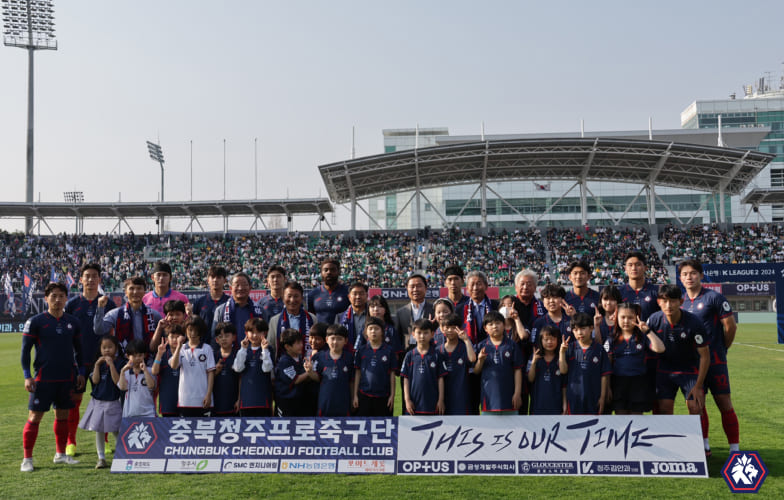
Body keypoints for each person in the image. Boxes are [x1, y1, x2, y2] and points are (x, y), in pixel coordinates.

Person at [21, 282, 84, 472]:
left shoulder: (73, 322)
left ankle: (61, 454)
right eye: (53, 296)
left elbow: (80, 351)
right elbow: (25, 352)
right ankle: (27, 459)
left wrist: (81, 372)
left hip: (66, 378)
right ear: (46, 298)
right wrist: (27, 375)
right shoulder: (36, 321)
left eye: (61, 296)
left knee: (63, 416)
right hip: (43, 378)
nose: (57, 300)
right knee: (34, 417)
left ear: (66, 298)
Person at [679, 259, 740, 455]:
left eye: (693, 273)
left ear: (701, 275)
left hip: (715, 361)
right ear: (680, 278)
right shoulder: (680, 301)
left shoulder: (714, 297)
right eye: (685, 274)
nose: (689, 277)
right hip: (692, 364)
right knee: (696, 405)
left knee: (724, 403)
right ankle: (704, 446)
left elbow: (730, 327)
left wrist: (722, 348)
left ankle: (734, 449)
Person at [64, 262, 116, 458]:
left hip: (101, 361)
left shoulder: (107, 304)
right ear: (81, 280)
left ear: (99, 279)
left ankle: (104, 441)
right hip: (78, 362)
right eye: (87, 276)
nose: (91, 279)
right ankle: (71, 442)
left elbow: (111, 333)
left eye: (95, 276)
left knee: (104, 403)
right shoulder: (72, 305)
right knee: (74, 402)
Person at [649, 285, 710, 420]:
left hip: (689, 370)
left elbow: (705, 356)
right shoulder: (653, 320)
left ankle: (701, 441)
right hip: (664, 371)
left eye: (673, 301)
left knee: (696, 407)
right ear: (659, 302)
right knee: (664, 409)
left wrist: (699, 386)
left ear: (681, 302)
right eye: (664, 301)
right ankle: (667, 441)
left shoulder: (694, 322)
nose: (668, 305)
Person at [607, 303, 664, 415]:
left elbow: (660, 348)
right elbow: (607, 365)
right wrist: (608, 387)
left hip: (639, 383)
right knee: (621, 418)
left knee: (637, 418)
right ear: (616, 318)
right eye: (623, 317)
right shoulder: (611, 339)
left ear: (637, 318)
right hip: (618, 383)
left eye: (630, 317)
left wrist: (647, 331)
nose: (626, 321)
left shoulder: (642, 337)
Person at [77, 335, 123, 469]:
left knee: (115, 429)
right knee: (99, 430)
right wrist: (97, 365)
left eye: (110, 347)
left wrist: (112, 365)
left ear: (116, 348)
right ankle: (101, 458)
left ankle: (122, 454)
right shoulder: (98, 363)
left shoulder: (120, 362)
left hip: (113, 401)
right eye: (104, 348)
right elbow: (95, 380)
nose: (107, 350)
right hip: (98, 401)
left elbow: (117, 381)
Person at [560, 312, 611, 415]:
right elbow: (563, 370)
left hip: (594, 396)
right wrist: (561, 352)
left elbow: (604, 375)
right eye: (576, 330)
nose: (580, 332)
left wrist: (602, 397)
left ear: (591, 328)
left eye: (583, 328)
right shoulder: (569, 348)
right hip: (574, 397)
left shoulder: (599, 349)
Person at [474, 311, 524, 414]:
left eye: (497, 323)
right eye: (490, 324)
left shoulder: (512, 346)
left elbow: (518, 370)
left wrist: (517, 393)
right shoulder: (481, 346)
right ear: (485, 328)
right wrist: (480, 360)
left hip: (510, 398)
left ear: (504, 325)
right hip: (489, 399)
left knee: (513, 429)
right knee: (489, 429)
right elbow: (476, 371)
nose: (494, 326)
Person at [94, 276, 162, 351]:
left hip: (148, 360)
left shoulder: (154, 315)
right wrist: (100, 308)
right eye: (131, 289)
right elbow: (99, 330)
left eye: (139, 288)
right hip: (124, 360)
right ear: (126, 292)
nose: (135, 292)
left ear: (144, 292)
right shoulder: (115, 314)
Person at [169, 317, 215, 417]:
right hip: (185, 400)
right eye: (190, 330)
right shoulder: (182, 348)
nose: (193, 333)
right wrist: (178, 346)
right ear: (185, 330)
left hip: (202, 399)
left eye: (196, 330)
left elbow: (211, 372)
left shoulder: (207, 348)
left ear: (201, 332)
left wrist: (208, 394)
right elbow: (174, 365)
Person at [353, 317, 398, 416]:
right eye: (370, 329)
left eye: (376, 329)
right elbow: (358, 372)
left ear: (382, 332)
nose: (373, 331)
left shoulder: (389, 350)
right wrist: (355, 395)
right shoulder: (361, 350)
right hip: (364, 394)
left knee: (383, 426)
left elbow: (392, 374)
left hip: (383, 396)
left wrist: (392, 395)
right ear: (366, 332)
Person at [401, 319, 446, 415]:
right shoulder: (410, 355)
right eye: (419, 333)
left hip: (432, 404)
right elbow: (405, 378)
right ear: (413, 334)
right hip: (413, 405)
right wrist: (407, 400)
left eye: (426, 333)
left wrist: (441, 400)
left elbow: (440, 379)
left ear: (432, 334)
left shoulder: (437, 355)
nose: (422, 336)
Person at [309, 325, 354, 417]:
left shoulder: (350, 358)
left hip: (343, 401)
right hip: (325, 401)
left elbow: (352, 381)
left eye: (339, 339)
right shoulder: (319, 357)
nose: (335, 342)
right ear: (326, 339)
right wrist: (310, 372)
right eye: (332, 338)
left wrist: (353, 398)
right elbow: (318, 378)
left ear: (345, 341)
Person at [436, 313, 476, 415]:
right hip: (443, 395)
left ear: (460, 328)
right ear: (442, 329)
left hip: (462, 394)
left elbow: (472, 359)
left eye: (454, 327)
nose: (450, 330)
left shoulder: (464, 347)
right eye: (447, 327)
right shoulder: (438, 350)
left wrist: (466, 340)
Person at [232, 319, 274, 417]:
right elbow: (238, 368)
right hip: (246, 400)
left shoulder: (268, 349)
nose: (254, 335)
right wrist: (243, 350)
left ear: (265, 333)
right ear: (246, 333)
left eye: (258, 332)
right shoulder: (243, 349)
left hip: (263, 400)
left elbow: (267, 369)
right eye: (252, 332)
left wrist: (264, 350)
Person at [268, 281, 317, 361]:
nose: (292, 300)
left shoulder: (312, 318)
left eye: (296, 296)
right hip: (282, 367)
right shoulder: (275, 320)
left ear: (301, 298)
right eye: (289, 296)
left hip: (306, 367)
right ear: (283, 298)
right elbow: (271, 347)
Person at [212, 272, 262, 346]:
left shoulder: (260, 311)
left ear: (250, 288)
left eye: (244, 284)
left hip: (254, 354)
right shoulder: (220, 310)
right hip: (229, 354)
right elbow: (215, 336)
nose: (240, 288)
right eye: (237, 285)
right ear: (231, 288)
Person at [527, 325, 566, 415]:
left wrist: (564, 406)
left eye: (553, 339)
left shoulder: (561, 358)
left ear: (558, 340)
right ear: (541, 340)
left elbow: (564, 385)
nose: (549, 342)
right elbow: (530, 379)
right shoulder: (535, 357)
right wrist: (534, 362)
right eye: (546, 339)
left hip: (556, 406)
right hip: (538, 406)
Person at [274, 328, 313, 417]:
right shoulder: (285, 361)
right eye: (298, 343)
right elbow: (296, 380)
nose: (301, 345)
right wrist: (310, 372)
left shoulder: (300, 359)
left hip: (299, 401)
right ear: (287, 346)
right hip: (286, 401)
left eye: (301, 342)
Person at [117, 339, 156, 420]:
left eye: (140, 355)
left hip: (149, 414)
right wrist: (122, 371)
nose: (138, 358)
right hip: (129, 414)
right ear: (127, 356)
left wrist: (145, 370)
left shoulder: (149, 370)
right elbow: (123, 388)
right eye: (134, 356)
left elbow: (151, 386)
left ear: (144, 355)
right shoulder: (125, 373)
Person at [151, 325, 185, 417]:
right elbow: (154, 371)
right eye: (172, 337)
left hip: (185, 400)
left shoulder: (187, 353)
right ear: (166, 339)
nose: (175, 340)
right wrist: (159, 354)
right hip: (167, 399)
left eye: (178, 337)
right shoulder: (163, 354)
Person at [394, 273, 434, 350]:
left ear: (426, 288)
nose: (415, 289)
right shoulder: (400, 312)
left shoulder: (434, 310)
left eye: (419, 286)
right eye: (412, 287)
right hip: (407, 353)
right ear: (407, 289)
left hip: (430, 353)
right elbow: (398, 337)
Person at [307, 258, 350, 324]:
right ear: (321, 273)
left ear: (338, 272)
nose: (329, 272)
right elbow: (311, 318)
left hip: (341, 333)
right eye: (326, 270)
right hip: (320, 333)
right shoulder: (313, 294)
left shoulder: (348, 292)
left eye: (332, 270)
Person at [620, 252, 660, 321]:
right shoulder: (619, 293)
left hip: (649, 331)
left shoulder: (656, 292)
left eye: (638, 264)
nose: (634, 268)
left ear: (645, 268)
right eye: (630, 265)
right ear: (625, 268)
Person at [190, 265, 229, 332]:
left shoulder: (229, 302)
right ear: (208, 280)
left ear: (225, 281)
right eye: (213, 277)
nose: (215, 280)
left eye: (219, 277)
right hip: (203, 341)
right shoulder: (199, 302)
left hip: (224, 341)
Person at [212, 322, 239, 416]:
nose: (223, 339)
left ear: (234, 338)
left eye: (227, 336)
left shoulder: (238, 355)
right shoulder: (212, 356)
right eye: (220, 336)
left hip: (234, 403)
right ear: (216, 340)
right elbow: (206, 380)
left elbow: (241, 380)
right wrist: (216, 372)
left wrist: (239, 400)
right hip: (216, 404)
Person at [335, 281, 369, 352]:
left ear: (367, 296)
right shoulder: (340, 318)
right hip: (347, 356)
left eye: (361, 294)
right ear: (349, 297)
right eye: (355, 294)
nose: (358, 297)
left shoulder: (373, 316)